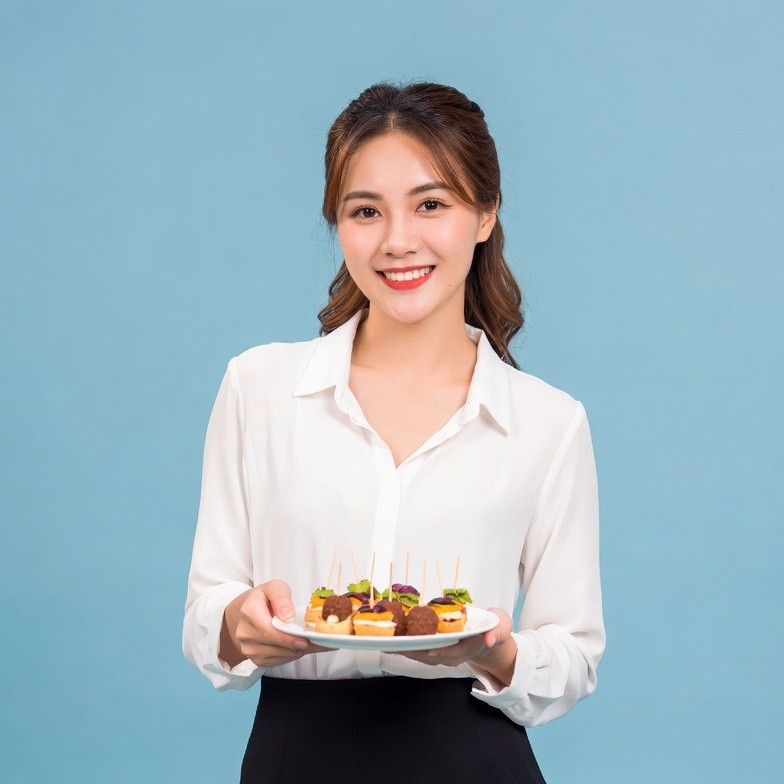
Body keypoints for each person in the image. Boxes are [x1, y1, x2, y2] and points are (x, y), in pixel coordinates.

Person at [183, 82, 604, 784]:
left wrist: (495, 653)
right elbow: (207, 614)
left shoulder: (549, 423)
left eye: (431, 204)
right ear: (338, 225)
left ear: (485, 213)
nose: (398, 240)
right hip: (295, 756)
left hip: (473, 757)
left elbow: (571, 656)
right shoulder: (258, 389)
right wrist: (237, 624)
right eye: (365, 211)